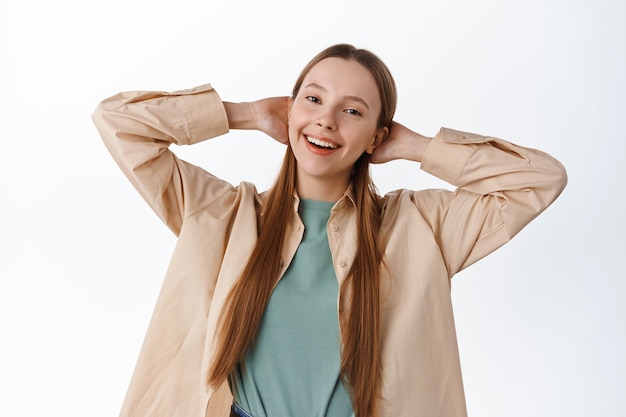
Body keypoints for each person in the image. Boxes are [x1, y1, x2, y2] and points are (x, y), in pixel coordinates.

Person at [92, 43, 567, 417]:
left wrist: (418, 147)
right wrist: (246, 113)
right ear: (290, 110)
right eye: (313, 99)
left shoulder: (422, 228)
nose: (325, 119)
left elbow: (539, 179)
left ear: (378, 137)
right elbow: (119, 123)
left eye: (353, 111)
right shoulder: (219, 214)